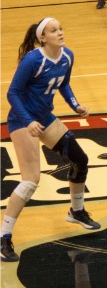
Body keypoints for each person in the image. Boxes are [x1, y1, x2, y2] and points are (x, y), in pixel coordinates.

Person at [1, 18, 101, 263]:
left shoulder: (67, 56)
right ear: (42, 38)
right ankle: (4, 237)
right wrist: (28, 121)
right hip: (22, 120)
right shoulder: (33, 60)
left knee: (80, 159)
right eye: (53, 30)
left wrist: (75, 105)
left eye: (61, 28)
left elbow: (64, 84)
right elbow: (12, 92)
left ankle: (76, 212)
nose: (60, 33)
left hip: (45, 117)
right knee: (30, 181)